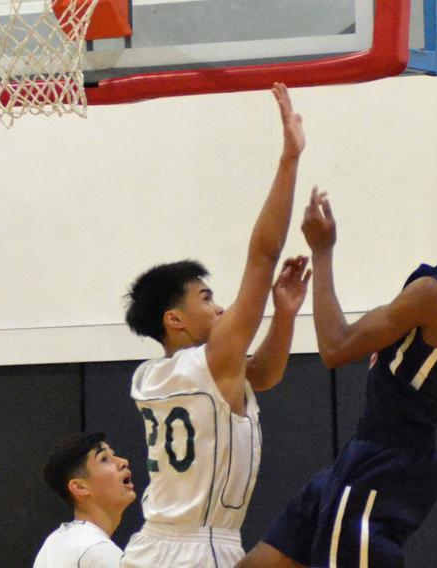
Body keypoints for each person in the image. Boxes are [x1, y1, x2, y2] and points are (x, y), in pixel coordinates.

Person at [239, 2, 437, 566]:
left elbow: (334, 348)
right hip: (372, 455)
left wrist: (324, 254)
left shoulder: (435, 296)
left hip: (387, 462)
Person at [120, 83, 310, 568]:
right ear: (174, 319)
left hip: (150, 546)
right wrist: (289, 160)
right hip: (197, 548)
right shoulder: (213, 360)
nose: (222, 308)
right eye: (207, 298)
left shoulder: (149, 376)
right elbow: (263, 257)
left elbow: (261, 376)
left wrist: (284, 316)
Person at [33, 432, 137, 568]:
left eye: (114, 454)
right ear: (79, 487)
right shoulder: (98, 550)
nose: (123, 462)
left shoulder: (55, 541)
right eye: (104, 459)